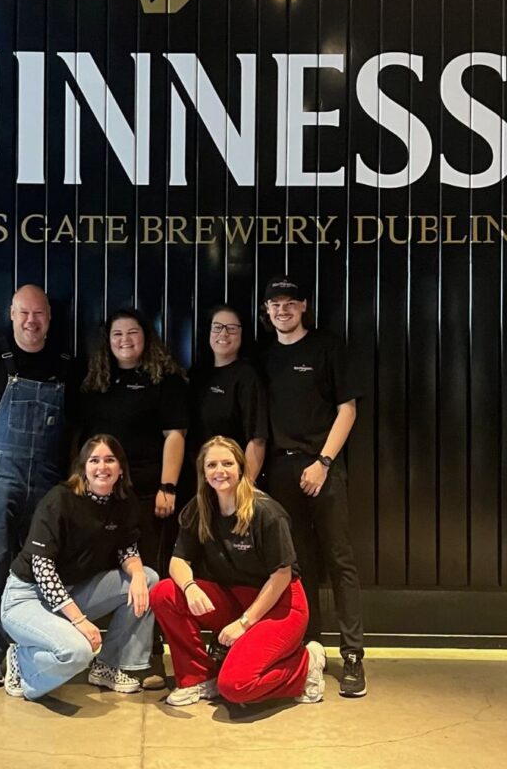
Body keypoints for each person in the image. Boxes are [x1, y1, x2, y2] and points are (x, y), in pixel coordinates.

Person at [0, 284, 75, 687]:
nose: (31, 321)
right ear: (11, 314)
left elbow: (76, 426)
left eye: (38, 313)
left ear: (49, 317)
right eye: (24, 313)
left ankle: (29, 652)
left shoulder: (65, 362)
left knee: (40, 568)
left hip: (48, 477)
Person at [149, 436, 325, 706]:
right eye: (212, 465)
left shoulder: (266, 512)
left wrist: (244, 624)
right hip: (233, 598)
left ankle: (306, 665)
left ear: (241, 468)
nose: (220, 471)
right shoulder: (199, 509)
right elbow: (178, 562)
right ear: (203, 473)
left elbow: (281, 576)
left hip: (279, 605)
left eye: (227, 463)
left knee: (236, 686)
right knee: (164, 593)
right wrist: (190, 587)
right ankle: (198, 678)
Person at [260, 275, 367, 698]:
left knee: (340, 560)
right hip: (280, 472)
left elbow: (348, 409)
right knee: (297, 566)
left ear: (303, 306)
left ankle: (354, 656)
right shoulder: (264, 356)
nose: (282, 310)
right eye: (275, 304)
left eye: (290, 302)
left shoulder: (328, 347)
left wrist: (324, 462)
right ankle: (310, 652)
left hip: (323, 468)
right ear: (266, 311)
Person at [0, 435, 159, 700]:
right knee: (78, 652)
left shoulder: (123, 501)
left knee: (150, 580)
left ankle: (109, 665)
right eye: (94, 460)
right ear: (83, 467)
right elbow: (43, 571)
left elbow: (126, 548)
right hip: (27, 598)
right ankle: (22, 661)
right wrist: (80, 621)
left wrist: (139, 573)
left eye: (110, 460)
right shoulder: (59, 500)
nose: (102, 467)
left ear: (121, 469)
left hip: (72, 592)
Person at [80, 307, 189, 688]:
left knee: (150, 574)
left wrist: (168, 486)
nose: (125, 341)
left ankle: (151, 659)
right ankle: (107, 656)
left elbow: (174, 435)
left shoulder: (166, 380)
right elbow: (83, 443)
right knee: (111, 576)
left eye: (133, 333)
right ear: (107, 342)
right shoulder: (96, 382)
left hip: (148, 493)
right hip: (103, 494)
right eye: (117, 335)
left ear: (147, 338)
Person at [190, 304, 267, 483]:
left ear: (242, 334)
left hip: (231, 480)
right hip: (199, 480)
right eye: (217, 327)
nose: (223, 334)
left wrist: (244, 488)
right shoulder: (197, 374)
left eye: (231, 329)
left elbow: (257, 439)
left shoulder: (247, 375)